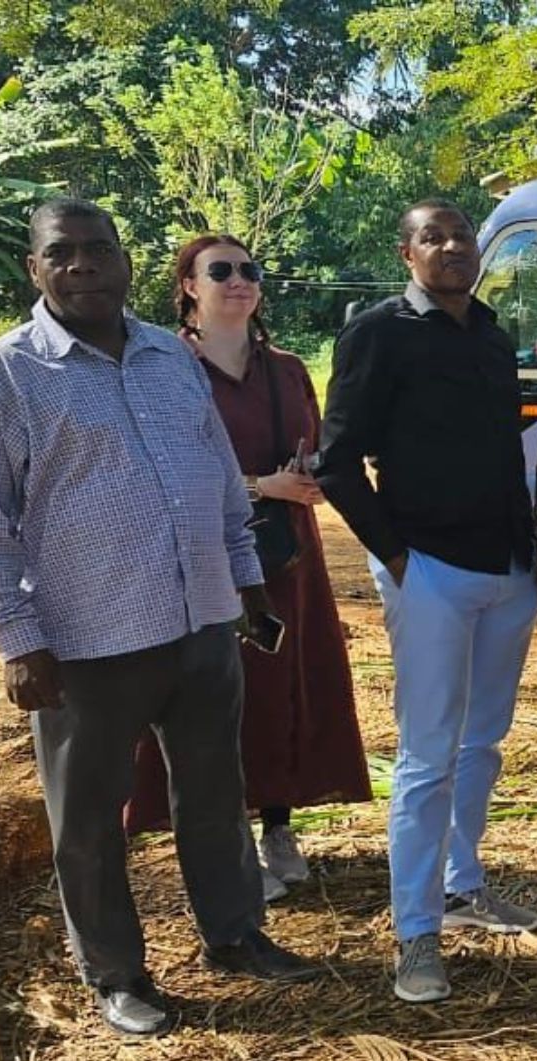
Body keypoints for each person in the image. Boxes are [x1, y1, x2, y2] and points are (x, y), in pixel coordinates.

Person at [0, 199, 318, 1038]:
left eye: (97, 249)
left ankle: (234, 934)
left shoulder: (167, 357)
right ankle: (116, 973)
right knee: (87, 820)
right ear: (36, 270)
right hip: (85, 642)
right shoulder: (1, 375)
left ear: (124, 260)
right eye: (62, 253)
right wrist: (14, 637)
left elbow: (221, 482)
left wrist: (245, 586)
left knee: (215, 795)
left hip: (199, 623)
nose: (82, 264)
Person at [316, 198, 537, 1004]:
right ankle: (415, 934)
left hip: (510, 570)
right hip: (432, 571)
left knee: (483, 742)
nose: (453, 246)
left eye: (462, 236)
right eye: (434, 237)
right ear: (406, 252)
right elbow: (336, 461)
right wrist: (397, 558)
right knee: (425, 758)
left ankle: (462, 884)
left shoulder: (491, 332)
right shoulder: (378, 333)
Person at [125, 235, 371, 902]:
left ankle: (278, 828)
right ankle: (227, 843)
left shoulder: (287, 368)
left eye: (249, 270)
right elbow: (159, 468)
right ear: (188, 287)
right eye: (221, 271)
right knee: (216, 698)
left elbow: (315, 444)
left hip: (288, 558)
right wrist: (262, 486)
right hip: (202, 562)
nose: (239, 281)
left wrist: (310, 477)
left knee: (283, 685)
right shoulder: (162, 367)